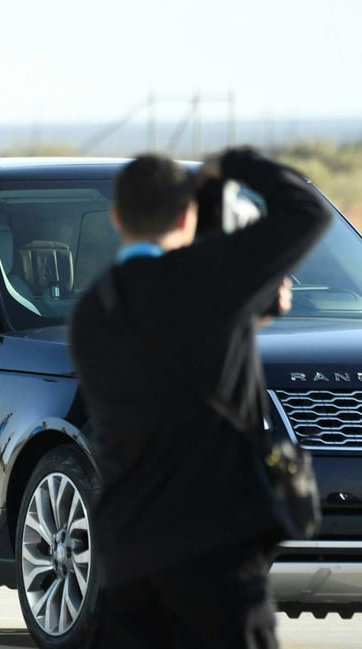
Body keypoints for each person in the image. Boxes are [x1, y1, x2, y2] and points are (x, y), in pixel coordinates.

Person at [68, 148, 331, 648]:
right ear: (187, 215)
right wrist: (231, 163)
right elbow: (308, 210)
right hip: (215, 548)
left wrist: (242, 313)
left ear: (117, 217)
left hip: (128, 555)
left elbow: (170, 351)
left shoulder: (94, 312)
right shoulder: (212, 279)